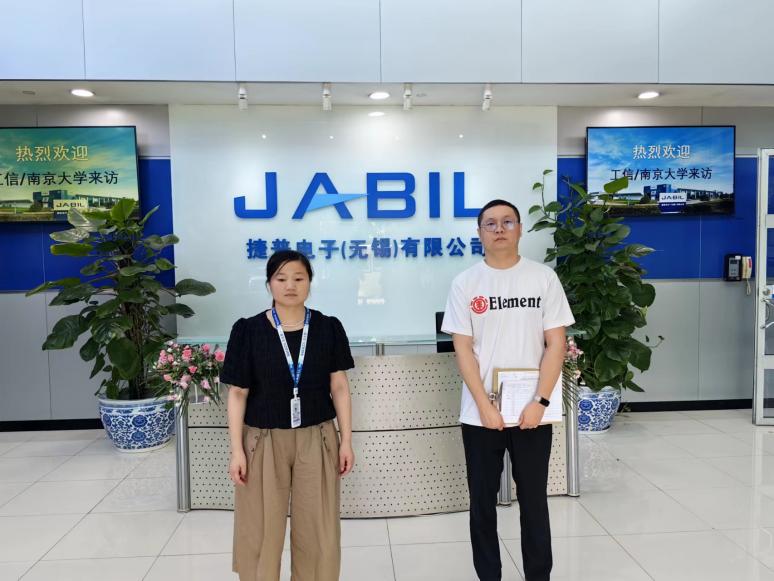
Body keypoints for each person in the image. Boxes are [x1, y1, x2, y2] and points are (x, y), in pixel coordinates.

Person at [442, 199, 574, 581]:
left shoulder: (543, 278)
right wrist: (484, 406)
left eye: (507, 222)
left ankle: (538, 576)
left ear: (519, 229)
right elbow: (463, 349)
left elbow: (556, 343)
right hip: (480, 413)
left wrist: (540, 401)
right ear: (479, 232)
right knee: (481, 503)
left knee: (534, 501)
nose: (499, 229)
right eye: (490, 223)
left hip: (532, 411)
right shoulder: (465, 283)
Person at [221, 249, 355, 581]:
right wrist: (236, 450)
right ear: (269, 283)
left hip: (317, 437)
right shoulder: (248, 331)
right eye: (281, 278)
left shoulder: (328, 328)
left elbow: (339, 387)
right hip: (264, 440)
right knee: (260, 527)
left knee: (318, 527)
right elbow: (237, 393)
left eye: (299, 278)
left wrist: (346, 441)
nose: (290, 285)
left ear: (310, 282)